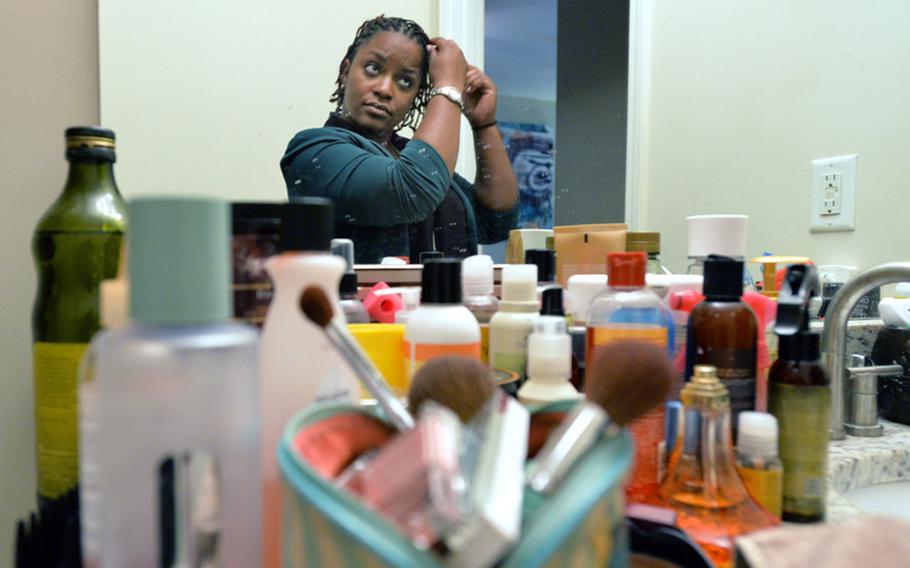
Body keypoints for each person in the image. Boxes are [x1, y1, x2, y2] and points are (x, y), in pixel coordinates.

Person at [281, 16, 519, 263]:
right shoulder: (313, 150)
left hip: (446, 302)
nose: (384, 89)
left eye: (405, 81)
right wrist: (448, 87)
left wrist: (484, 124)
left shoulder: (410, 154)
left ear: (415, 97)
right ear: (345, 71)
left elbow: (496, 222)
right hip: (363, 302)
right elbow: (412, 189)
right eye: (373, 68)